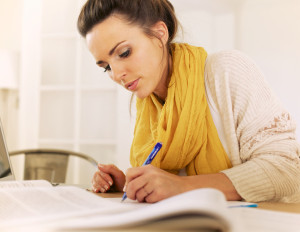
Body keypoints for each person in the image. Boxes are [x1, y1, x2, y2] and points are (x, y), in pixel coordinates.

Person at [77, 0, 300, 203]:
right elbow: (166, 183)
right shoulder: (147, 105)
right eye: (106, 67)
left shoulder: (227, 71)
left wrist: (183, 187)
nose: (116, 75)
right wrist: (128, 185)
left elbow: (288, 169)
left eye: (124, 53)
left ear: (160, 33)